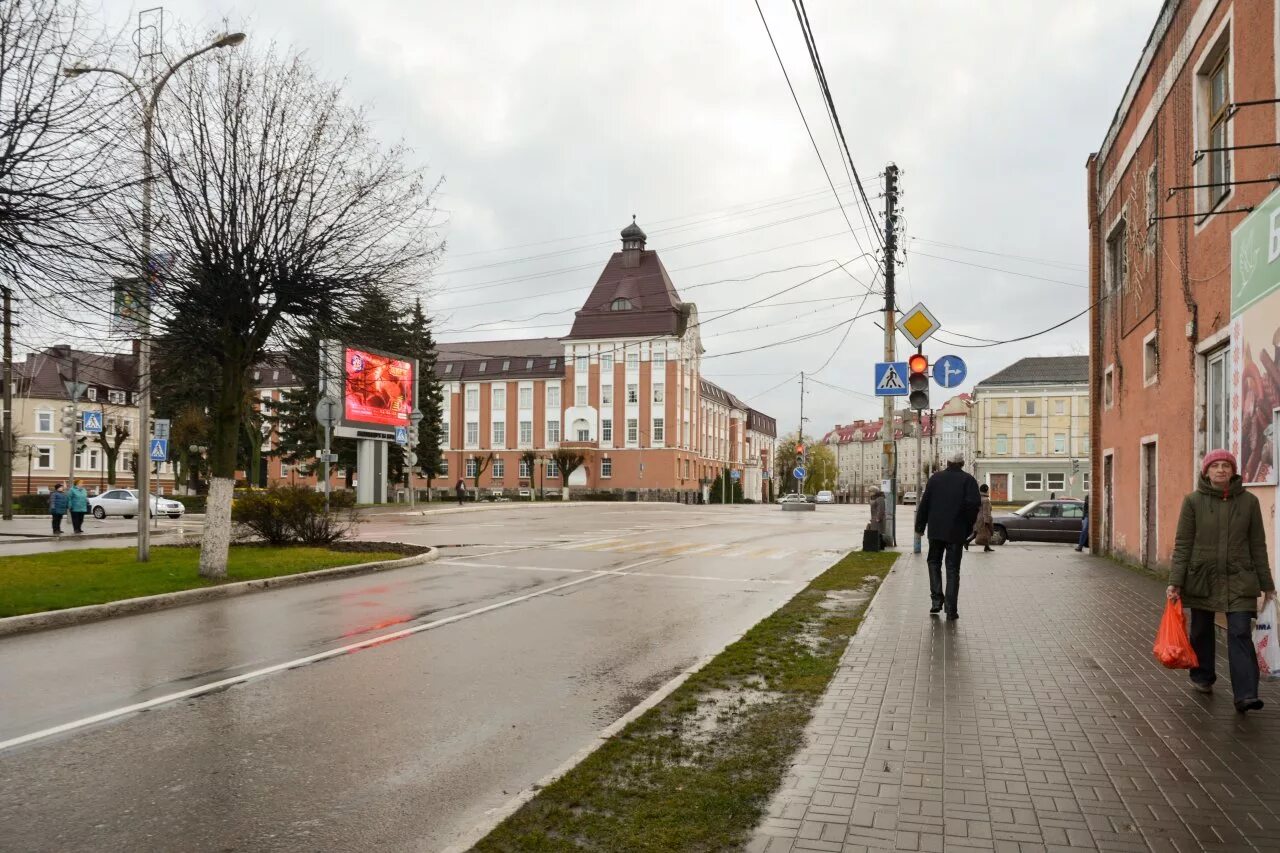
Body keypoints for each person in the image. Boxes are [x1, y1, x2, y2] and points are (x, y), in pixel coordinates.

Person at [1168, 450, 1275, 713]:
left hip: (1240, 576)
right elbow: (1183, 544)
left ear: (1233, 470)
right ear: (1206, 471)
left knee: (1239, 631)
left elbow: (1257, 545)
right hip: (1202, 575)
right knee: (1202, 629)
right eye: (1215, 466)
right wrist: (1175, 582)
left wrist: (1267, 584)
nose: (1221, 470)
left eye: (1226, 466)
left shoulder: (1249, 502)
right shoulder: (1193, 501)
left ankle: (1246, 694)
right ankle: (1202, 675)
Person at [915, 451, 980, 620]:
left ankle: (936, 601)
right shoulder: (969, 480)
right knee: (952, 569)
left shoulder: (935, 479)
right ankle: (951, 609)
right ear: (962, 464)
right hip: (956, 532)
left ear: (947, 463)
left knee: (933, 562)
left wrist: (920, 526)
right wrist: (967, 527)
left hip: (935, 531)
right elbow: (973, 506)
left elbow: (925, 504)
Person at [966, 483, 994, 552]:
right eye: (988, 489)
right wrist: (987, 521)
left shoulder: (978, 498)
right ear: (986, 490)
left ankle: (986, 546)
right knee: (987, 532)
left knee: (977, 532)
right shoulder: (986, 500)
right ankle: (966, 542)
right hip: (983, 519)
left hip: (977, 518)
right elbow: (986, 512)